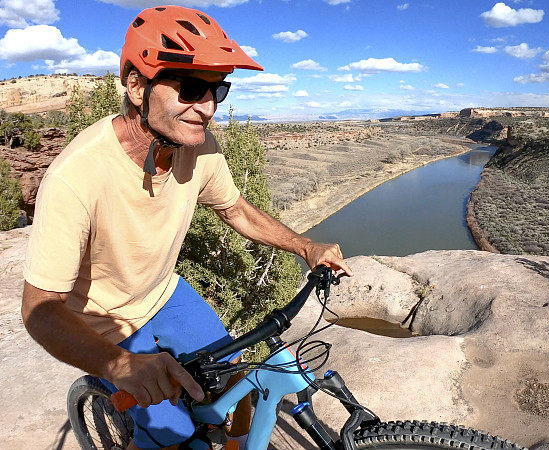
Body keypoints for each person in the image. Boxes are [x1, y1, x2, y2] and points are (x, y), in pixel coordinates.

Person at [20, 5, 352, 450]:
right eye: (193, 89)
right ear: (137, 87)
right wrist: (120, 366)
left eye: (219, 90)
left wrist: (306, 246)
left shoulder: (199, 148)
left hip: (163, 292)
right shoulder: (76, 178)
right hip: (106, 322)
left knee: (241, 380)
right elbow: (39, 310)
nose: (209, 108)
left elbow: (236, 210)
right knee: (171, 436)